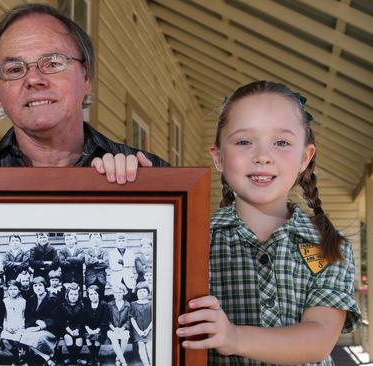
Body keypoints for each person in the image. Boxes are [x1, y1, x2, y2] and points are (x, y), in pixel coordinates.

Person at [176, 81, 362, 365]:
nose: (262, 156)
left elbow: (319, 339)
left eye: (281, 143)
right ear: (219, 158)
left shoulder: (330, 246)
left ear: (304, 157)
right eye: (243, 142)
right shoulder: (189, 239)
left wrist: (234, 337)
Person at [0, 3, 168, 184]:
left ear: (87, 78)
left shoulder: (147, 173)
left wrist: (146, 192)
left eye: (53, 63)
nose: (33, 79)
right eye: (14, 70)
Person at [19, 277, 60, 366]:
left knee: (36, 336)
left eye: (40, 285)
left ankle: (42, 358)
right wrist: (37, 322)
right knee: (24, 334)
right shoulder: (31, 299)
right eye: (35, 286)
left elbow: (56, 318)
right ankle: (46, 357)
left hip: (50, 329)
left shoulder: (53, 299)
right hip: (35, 327)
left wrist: (43, 325)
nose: (38, 288)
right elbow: (28, 317)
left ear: (45, 286)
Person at [0, 280, 26, 365]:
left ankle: (17, 359)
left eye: (15, 289)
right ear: (7, 290)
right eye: (10, 289)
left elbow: (24, 316)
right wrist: (6, 327)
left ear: (19, 290)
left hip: (20, 325)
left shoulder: (23, 301)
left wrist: (20, 327)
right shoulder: (4, 301)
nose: (13, 291)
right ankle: (16, 356)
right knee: (5, 340)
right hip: (8, 325)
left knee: (16, 340)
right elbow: (3, 317)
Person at [60, 283, 86, 365]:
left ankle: (74, 359)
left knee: (79, 340)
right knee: (68, 338)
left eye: (75, 294)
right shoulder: (63, 306)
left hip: (78, 328)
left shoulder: (81, 306)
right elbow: (62, 320)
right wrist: (69, 330)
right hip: (67, 328)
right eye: (71, 294)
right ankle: (75, 359)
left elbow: (82, 321)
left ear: (79, 295)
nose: (73, 296)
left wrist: (77, 330)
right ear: (67, 295)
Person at [83, 285, 109, 366]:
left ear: (98, 294)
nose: (93, 296)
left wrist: (97, 330)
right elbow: (84, 320)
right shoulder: (86, 304)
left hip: (101, 328)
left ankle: (95, 357)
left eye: (95, 293)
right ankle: (93, 356)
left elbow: (105, 320)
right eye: (91, 294)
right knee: (88, 339)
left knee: (97, 338)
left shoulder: (104, 304)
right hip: (89, 328)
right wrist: (88, 329)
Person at [107, 284, 131, 366]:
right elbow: (108, 319)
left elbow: (128, 320)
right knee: (114, 338)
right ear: (113, 293)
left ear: (124, 293)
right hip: (112, 329)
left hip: (123, 329)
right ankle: (123, 361)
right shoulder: (109, 305)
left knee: (125, 337)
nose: (118, 294)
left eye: (120, 292)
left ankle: (118, 359)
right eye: (116, 292)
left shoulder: (127, 305)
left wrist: (122, 329)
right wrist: (113, 328)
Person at [130, 282, 152, 366]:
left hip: (149, 329)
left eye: (144, 291)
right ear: (136, 293)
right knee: (141, 346)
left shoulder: (151, 303)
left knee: (150, 347)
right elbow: (132, 318)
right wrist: (139, 331)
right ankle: (146, 364)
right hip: (138, 330)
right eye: (139, 291)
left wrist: (147, 330)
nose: (142, 293)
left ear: (148, 292)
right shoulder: (133, 304)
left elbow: (153, 319)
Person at [84, 232, 109, 300]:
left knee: (101, 298)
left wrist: (93, 263)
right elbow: (87, 262)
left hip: (101, 278)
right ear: (90, 240)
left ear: (101, 239)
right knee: (90, 298)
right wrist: (99, 260)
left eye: (97, 238)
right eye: (93, 238)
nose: (95, 240)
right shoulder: (87, 251)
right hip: (90, 278)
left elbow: (106, 263)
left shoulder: (104, 251)